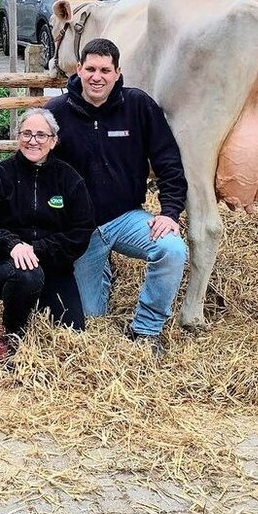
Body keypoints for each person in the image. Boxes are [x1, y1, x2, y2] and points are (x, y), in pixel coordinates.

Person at [45, 37, 188, 357]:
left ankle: (146, 329)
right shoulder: (56, 113)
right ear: (78, 69)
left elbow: (169, 162)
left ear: (117, 73)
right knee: (91, 315)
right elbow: (37, 169)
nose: (97, 77)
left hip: (126, 217)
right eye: (91, 69)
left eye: (105, 70)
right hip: (81, 228)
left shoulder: (138, 106)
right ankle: (100, 267)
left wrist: (169, 212)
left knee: (172, 249)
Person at [0, 108, 95, 363]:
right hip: (1, 261)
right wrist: (12, 244)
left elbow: (80, 232)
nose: (33, 141)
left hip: (53, 264)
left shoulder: (69, 179)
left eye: (41, 135)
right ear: (18, 137)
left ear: (53, 141)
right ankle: (11, 332)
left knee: (73, 328)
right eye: (26, 133)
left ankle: (31, 297)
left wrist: (37, 249)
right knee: (27, 276)